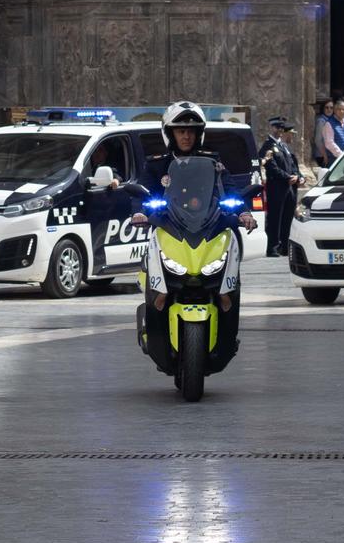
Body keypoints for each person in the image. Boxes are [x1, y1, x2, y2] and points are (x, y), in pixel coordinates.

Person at [119, 102, 259, 358]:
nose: (186, 135)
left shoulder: (213, 162)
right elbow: (143, 192)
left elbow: (230, 190)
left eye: (191, 131)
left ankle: (225, 296)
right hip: (169, 226)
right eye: (180, 130)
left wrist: (243, 212)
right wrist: (140, 211)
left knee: (231, 245)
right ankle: (159, 296)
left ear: (199, 133)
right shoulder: (157, 165)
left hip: (208, 226)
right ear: (169, 133)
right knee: (152, 260)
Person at [258, 116, 304, 257]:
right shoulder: (268, 146)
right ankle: (273, 247)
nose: (279, 131)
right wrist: (287, 177)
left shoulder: (283, 146)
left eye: (281, 128)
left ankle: (284, 246)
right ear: (272, 128)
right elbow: (271, 167)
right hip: (277, 187)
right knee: (275, 218)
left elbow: (291, 165)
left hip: (289, 187)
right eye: (277, 128)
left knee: (287, 217)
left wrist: (297, 176)